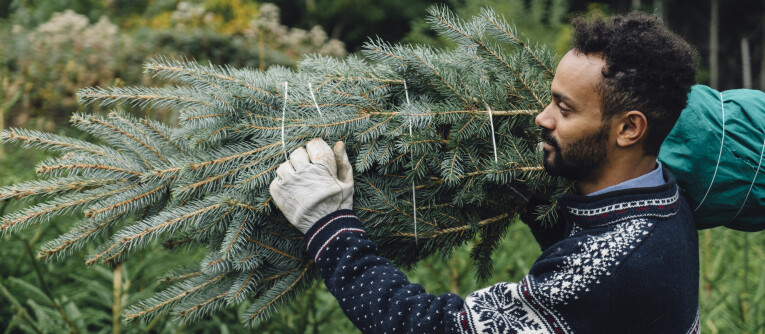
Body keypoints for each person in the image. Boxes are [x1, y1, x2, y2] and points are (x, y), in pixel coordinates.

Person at [269, 12, 699, 334]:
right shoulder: (669, 204)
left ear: (628, 129)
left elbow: (431, 327)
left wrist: (328, 222)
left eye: (564, 109)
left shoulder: (606, 270)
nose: (541, 119)